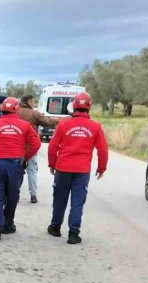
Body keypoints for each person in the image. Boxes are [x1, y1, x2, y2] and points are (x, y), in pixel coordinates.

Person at [0, 97, 42, 241]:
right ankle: (8, 223)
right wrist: (26, 157)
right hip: (15, 164)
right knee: (12, 195)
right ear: (16, 109)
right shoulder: (25, 125)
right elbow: (36, 143)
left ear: (2, 108)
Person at [46, 92, 109, 245]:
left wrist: (52, 164)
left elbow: (52, 146)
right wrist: (101, 168)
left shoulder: (63, 124)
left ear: (74, 105)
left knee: (59, 199)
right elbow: (103, 150)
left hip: (63, 168)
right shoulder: (95, 126)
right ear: (89, 106)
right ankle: (73, 233)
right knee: (77, 202)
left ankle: (55, 227)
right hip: (82, 171)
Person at [17, 94, 60, 203]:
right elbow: (48, 123)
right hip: (31, 147)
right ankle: (33, 195)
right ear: (29, 102)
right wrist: (60, 121)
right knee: (32, 171)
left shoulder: (16, 111)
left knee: (16, 171)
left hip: (16, 148)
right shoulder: (35, 114)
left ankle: (15, 192)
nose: (35, 104)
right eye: (34, 102)